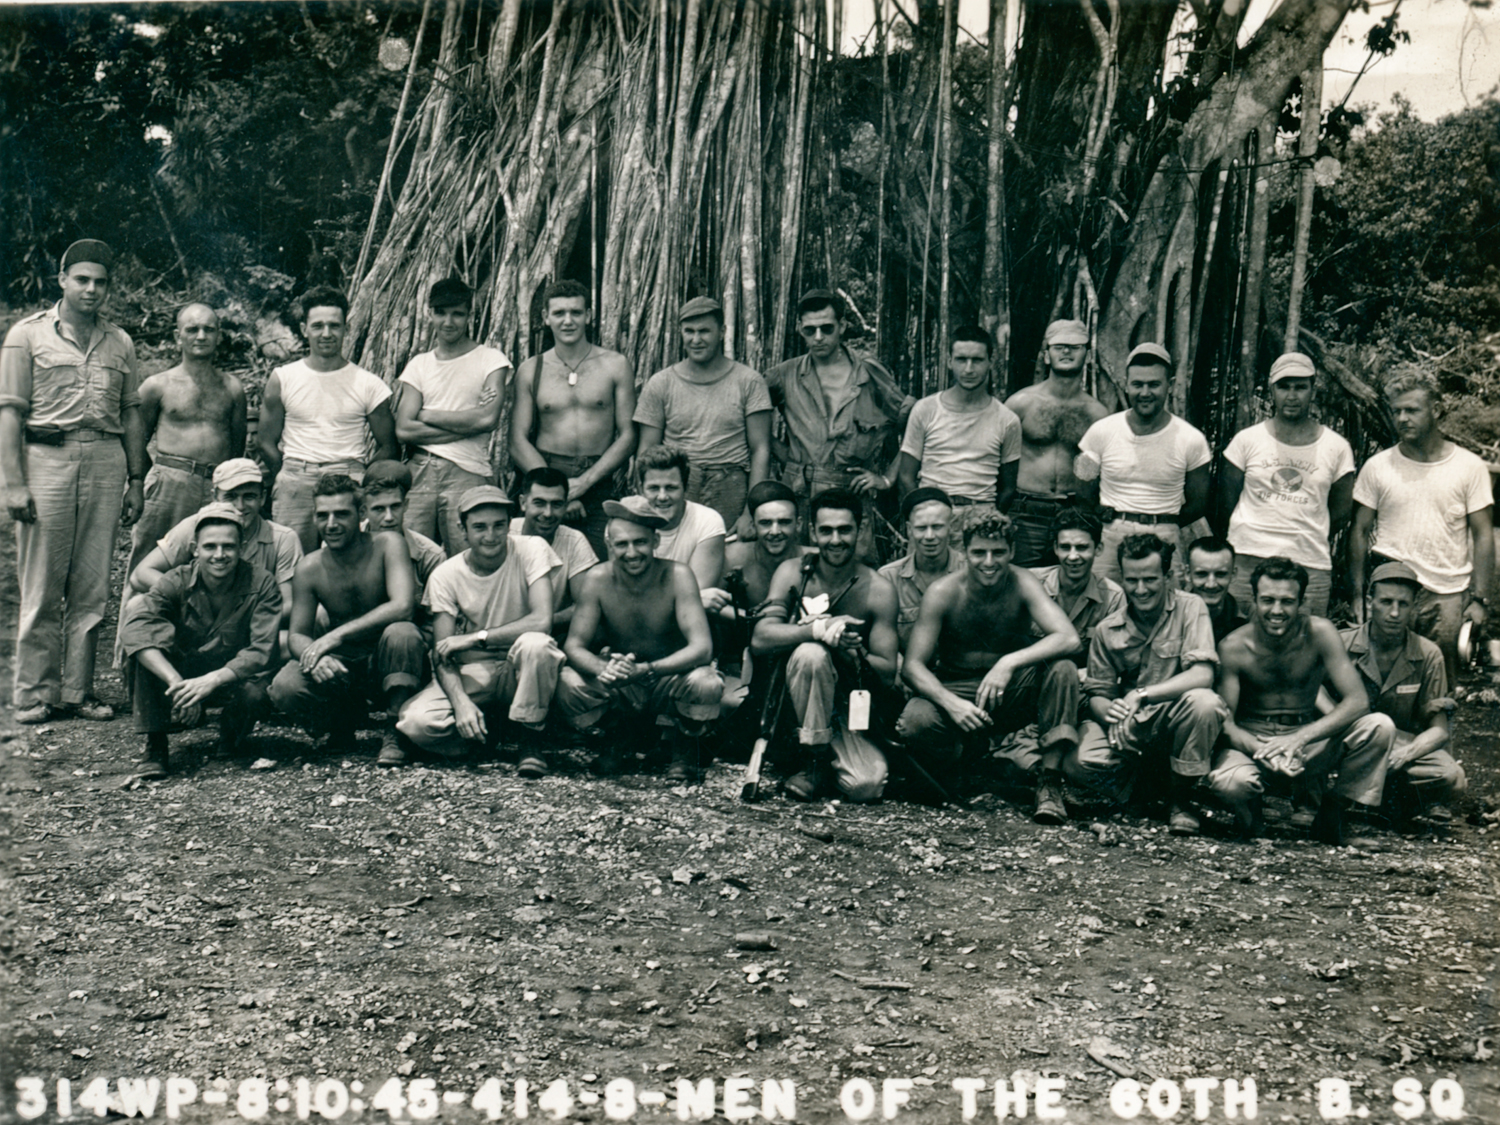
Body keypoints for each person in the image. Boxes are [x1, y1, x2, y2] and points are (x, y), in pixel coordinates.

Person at [1, 238, 149, 722]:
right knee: (42, 582)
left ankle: (76, 691)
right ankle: (34, 694)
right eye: (81, 279)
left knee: (91, 585)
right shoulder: (26, 336)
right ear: (61, 280)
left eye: (100, 281)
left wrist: (134, 477)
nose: (91, 289)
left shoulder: (119, 341)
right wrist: (13, 483)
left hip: (105, 459)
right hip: (47, 458)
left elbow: (129, 411)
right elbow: (9, 412)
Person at [896, 507, 1081, 822]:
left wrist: (1008, 662)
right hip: (959, 686)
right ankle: (964, 764)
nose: (989, 562)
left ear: (1011, 551)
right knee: (915, 721)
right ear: (965, 552)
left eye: (998, 552)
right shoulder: (943, 592)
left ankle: (1049, 781)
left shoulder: (1023, 582)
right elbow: (912, 666)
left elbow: (1068, 638)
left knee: (1062, 668)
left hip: (1010, 688)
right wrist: (951, 703)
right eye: (979, 552)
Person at [1207, 557, 1383, 843]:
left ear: (1301, 603)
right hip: (1255, 741)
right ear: (1253, 600)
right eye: (1267, 600)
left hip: (1306, 743)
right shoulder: (1234, 647)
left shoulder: (1320, 633)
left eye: (1287, 601)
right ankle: (1252, 818)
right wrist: (1261, 748)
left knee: (1378, 727)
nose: (1276, 611)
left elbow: (1358, 701)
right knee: (1231, 783)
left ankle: (1331, 817)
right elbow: (1226, 723)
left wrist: (1299, 739)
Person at [395, 486, 566, 771]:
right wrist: (460, 703)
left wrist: (476, 637)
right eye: (480, 527)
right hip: (474, 671)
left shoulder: (532, 548)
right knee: (416, 723)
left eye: (499, 525)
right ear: (463, 530)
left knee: (536, 644)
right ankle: (487, 735)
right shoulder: (445, 575)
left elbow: (542, 620)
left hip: (521, 667)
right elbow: (442, 653)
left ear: (509, 525)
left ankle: (529, 740)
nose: (491, 536)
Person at [1063, 535, 1224, 835]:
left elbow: (1203, 675)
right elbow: (1098, 692)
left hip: (1174, 719)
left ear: (1168, 577)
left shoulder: (1192, 608)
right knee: (1077, 761)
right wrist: (1112, 715)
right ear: (1122, 578)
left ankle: (1181, 800)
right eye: (1132, 580)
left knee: (1206, 703)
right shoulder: (1107, 630)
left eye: (1150, 579)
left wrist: (1142, 694)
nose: (1140, 589)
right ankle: (1145, 791)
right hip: (1132, 726)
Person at [750, 488, 900, 802]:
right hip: (791, 700)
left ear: (859, 530)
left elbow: (886, 672)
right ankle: (813, 762)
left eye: (844, 530)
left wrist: (849, 651)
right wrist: (820, 629)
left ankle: (819, 759)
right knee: (811, 654)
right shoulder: (793, 571)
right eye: (826, 530)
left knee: (866, 786)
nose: (835, 540)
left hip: (844, 706)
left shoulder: (878, 589)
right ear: (812, 531)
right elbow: (761, 637)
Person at [559, 496, 723, 781]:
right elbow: (574, 645)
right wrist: (604, 668)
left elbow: (702, 648)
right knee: (567, 682)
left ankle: (684, 745)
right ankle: (619, 736)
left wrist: (648, 669)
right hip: (622, 681)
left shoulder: (678, 575)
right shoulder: (598, 579)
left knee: (706, 681)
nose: (631, 552)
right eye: (621, 544)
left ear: (655, 541)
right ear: (609, 545)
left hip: (667, 678)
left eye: (640, 542)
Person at [1350, 367, 1494, 683]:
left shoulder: (1469, 468)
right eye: (1396, 411)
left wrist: (1480, 600)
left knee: (1439, 688)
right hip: (1390, 589)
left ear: (1436, 409)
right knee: (1381, 683)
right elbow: (1359, 532)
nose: (1402, 418)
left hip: (1446, 597)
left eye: (1412, 410)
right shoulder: (1377, 467)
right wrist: (1358, 594)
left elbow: (1483, 535)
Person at [268, 475, 423, 765]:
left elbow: (403, 606)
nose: (331, 524)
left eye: (341, 514)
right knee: (286, 685)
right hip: (344, 665)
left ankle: (395, 731)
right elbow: (297, 636)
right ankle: (340, 725)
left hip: (388, 658)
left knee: (403, 633)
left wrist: (334, 636)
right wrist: (315, 657)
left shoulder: (388, 544)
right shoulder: (310, 567)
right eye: (322, 515)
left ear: (362, 513)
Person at [118, 507, 280, 779]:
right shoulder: (175, 580)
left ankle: (231, 735)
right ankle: (155, 745)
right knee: (146, 653)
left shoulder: (262, 583)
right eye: (210, 546)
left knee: (257, 689)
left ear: (242, 548)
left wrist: (212, 680)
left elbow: (262, 649)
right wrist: (175, 682)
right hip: (187, 673)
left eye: (228, 546)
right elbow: (137, 629)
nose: (219, 555)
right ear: (195, 549)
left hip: (231, 675)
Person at [764, 289, 911, 564]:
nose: (818, 338)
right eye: (810, 330)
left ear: (842, 326)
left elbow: (919, 421)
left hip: (850, 496)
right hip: (799, 495)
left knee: (855, 579)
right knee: (796, 574)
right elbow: (749, 415)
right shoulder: (783, 375)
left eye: (826, 328)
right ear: (799, 329)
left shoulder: (868, 372)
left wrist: (887, 479)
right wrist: (784, 455)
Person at [258, 286, 398, 552]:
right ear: (304, 328)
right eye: (318, 325)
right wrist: (289, 476)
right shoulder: (283, 378)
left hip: (348, 477)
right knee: (293, 563)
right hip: (296, 480)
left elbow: (389, 445)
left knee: (351, 562)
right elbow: (265, 442)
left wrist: (359, 480)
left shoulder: (368, 383)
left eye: (334, 326)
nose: (326, 333)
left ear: (345, 328)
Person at [1219, 352, 1355, 617]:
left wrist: (1306, 530)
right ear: (1272, 390)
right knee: (1241, 639)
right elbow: (1226, 503)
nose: (1292, 395)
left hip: (1309, 562)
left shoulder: (1336, 447)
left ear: (1313, 391)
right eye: (1284, 386)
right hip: (1248, 556)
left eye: (1300, 387)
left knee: (1304, 646)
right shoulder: (1247, 441)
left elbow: (1340, 511)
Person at [510, 280, 637, 558]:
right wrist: (559, 491)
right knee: (535, 560)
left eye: (576, 313)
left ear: (588, 316)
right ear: (545, 318)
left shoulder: (614, 365)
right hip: (544, 476)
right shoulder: (532, 369)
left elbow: (628, 435)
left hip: (597, 477)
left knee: (600, 563)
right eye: (559, 313)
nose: (568, 321)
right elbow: (517, 440)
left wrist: (584, 483)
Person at [1334, 562, 1465, 824]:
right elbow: (1312, 696)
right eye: (1386, 602)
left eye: (1403, 604)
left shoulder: (1428, 654)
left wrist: (1406, 753)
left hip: (1401, 747)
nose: (1394, 613)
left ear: (1414, 607)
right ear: (1370, 602)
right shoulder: (1341, 644)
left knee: (1452, 778)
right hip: (1347, 741)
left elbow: (1439, 729)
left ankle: (1382, 798)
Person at [126, 303, 248, 578]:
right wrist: (152, 479)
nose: (201, 336)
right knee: (147, 563)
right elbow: (135, 440)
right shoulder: (158, 385)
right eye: (192, 329)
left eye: (209, 329)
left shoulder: (232, 388)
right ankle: (134, 621)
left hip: (216, 488)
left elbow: (237, 447)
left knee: (208, 566)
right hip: (169, 485)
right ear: (177, 336)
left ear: (219, 335)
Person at [1075, 343, 1211, 585]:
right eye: (1137, 384)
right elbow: (1082, 484)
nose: (1145, 392)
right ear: (1126, 384)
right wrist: (1105, 515)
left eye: (1154, 384)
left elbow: (1198, 504)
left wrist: (1164, 521)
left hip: (1164, 535)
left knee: (1164, 609)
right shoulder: (1100, 432)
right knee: (1101, 602)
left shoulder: (1192, 439)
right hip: (1111, 535)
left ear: (1169, 385)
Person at [635, 296, 772, 535]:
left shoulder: (748, 381)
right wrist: (646, 504)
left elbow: (761, 449)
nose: (696, 339)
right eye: (689, 331)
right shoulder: (661, 383)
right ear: (680, 332)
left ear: (722, 332)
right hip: (677, 484)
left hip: (730, 484)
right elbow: (647, 453)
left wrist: (751, 511)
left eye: (704, 331)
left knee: (725, 560)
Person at [393, 277, 509, 552]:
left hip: (467, 471)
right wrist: (468, 424)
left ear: (470, 316)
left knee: (469, 554)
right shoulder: (419, 365)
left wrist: (426, 414)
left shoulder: (491, 360)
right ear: (430, 314)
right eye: (441, 313)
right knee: (411, 554)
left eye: (458, 314)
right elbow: (404, 430)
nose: (449, 321)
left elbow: (487, 420)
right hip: (420, 470)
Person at [127, 460, 303, 639]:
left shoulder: (282, 537)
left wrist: (236, 623)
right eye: (231, 497)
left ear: (262, 497)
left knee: (297, 634)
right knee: (137, 605)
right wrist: (190, 600)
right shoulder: (195, 526)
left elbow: (287, 603)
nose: (240, 506)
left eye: (249, 496)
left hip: (250, 628)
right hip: (195, 622)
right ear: (215, 496)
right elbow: (140, 574)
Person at [1003, 319, 1108, 566]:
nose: (1066, 351)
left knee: (1067, 593)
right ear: (1046, 355)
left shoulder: (1097, 414)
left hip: (1073, 514)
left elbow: (1091, 471)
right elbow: (1000, 462)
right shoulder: (1021, 403)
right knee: (1021, 588)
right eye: (1059, 346)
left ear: (1088, 354)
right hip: (1026, 512)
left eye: (1075, 346)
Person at [895, 326, 1021, 511]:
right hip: (932, 511)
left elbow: (1008, 487)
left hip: (981, 514)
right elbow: (906, 476)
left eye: (977, 360)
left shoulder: (1007, 420)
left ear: (990, 362)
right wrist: (923, 512)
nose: (968, 369)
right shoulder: (925, 409)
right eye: (961, 360)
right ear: (949, 362)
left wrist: (991, 520)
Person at [635, 444, 728, 613]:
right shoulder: (625, 522)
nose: (662, 497)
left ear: (685, 488)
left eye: (671, 488)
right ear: (641, 489)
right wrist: (693, 598)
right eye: (654, 488)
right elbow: (622, 594)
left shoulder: (707, 520)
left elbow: (698, 592)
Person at [509, 467, 598, 634]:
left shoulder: (574, 540)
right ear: (522, 503)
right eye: (539, 503)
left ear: (566, 505)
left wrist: (539, 623)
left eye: (556, 504)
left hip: (549, 635)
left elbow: (584, 606)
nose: (548, 513)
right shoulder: (505, 534)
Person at [877, 488, 966, 650]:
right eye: (921, 528)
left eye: (937, 527)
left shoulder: (969, 572)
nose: (930, 536)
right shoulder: (888, 578)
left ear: (950, 527)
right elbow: (883, 644)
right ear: (909, 530)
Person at [1028, 507, 1124, 652]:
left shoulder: (1113, 597)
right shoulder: (1030, 583)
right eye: (1065, 547)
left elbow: (1113, 655)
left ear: (1098, 549)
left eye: (1082, 547)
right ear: (1055, 548)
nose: (1073, 557)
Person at [359, 460, 448, 589]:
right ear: (364, 511)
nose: (388, 517)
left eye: (395, 507)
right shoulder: (346, 545)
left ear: (405, 505)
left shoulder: (430, 556)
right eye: (379, 509)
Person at [723, 480, 810, 611]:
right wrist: (749, 619)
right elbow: (708, 602)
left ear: (798, 525)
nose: (775, 531)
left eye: (784, 522)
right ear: (753, 526)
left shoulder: (813, 559)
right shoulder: (732, 556)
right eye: (766, 523)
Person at [1185, 536, 1246, 643]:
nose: (1211, 584)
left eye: (1220, 574)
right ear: (1187, 573)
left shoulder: (1248, 619)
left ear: (1233, 574)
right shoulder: (1171, 617)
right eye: (1202, 574)